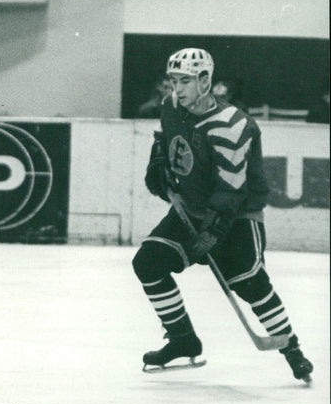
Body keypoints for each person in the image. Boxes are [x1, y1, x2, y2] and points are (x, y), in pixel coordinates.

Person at [132, 48, 313, 382]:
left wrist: (212, 233)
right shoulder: (171, 107)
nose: (178, 89)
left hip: (239, 216)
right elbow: (167, 138)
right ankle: (183, 338)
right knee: (148, 262)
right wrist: (158, 159)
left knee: (249, 283)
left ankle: (292, 349)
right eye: (174, 80)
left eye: (185, 80)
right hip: (192, 208)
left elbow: (231, 190)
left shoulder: (231, 125)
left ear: (205, 80)